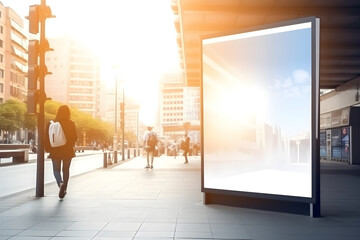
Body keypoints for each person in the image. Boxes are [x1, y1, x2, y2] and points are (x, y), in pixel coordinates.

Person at [45, 105, 78, 199]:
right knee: (66, 170)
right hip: (67, 150)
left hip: (55, 150)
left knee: (56, 170)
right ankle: (65, 189)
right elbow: (75, 138)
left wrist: (49, 149)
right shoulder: (71, 123)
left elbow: (46, 138)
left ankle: (60, 183)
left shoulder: (51, 123)